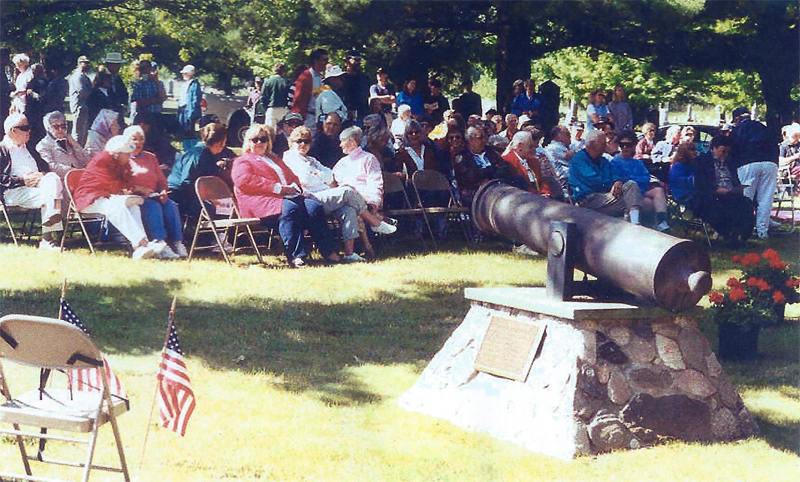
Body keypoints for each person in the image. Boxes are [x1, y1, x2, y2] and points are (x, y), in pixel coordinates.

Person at [232, 124, 340, 267]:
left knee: (314, 207)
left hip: (285, 197)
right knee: (290, 209)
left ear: (268, 142)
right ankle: (296, 256)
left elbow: (292, 176)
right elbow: (244, 181)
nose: (259, 143)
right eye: (255, 139)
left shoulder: (274, 159)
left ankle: (328, 252)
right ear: (248, 141)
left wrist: (294, 187)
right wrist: (278, 188)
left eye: (263, 139)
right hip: (259, 200)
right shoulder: (243, 160)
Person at [283, 126, 395, 262]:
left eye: (306, 141)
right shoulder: (290, 159)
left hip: (325, 195)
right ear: (291, 142)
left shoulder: (311, 160)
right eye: (298, 141)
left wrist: (318, 176)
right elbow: (306, 180)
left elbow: (330, 175)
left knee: (349, 209)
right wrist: (321, 177)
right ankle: (373, 221)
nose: (303, 144)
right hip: (310, 199)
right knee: (347, 191)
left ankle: (349, 253)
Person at [72, 135, 163, 259]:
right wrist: (135, 189)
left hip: (107, 198)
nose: (129, 157)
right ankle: (142, 243)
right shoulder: (102, 160)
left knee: (133, 205)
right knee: (117, 206)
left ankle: (141, 247)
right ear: (117, 153)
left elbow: (127, 180)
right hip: (89, 199)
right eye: (127, 154)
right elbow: (110, 184)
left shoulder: (122, 162)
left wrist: (133, 190)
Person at [0, 113, 63, 250]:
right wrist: (23, 180)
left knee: (54, 179)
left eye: (29, 127)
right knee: (52, 197)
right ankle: (49, 238)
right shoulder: (2, 149)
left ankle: (50, 235)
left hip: (37, 186)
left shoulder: (29, 147)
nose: (29, 131)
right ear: (13, 130)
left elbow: (45, 167)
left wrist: (41, 175)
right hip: (13, 191)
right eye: (25, 127)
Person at [125, 125, 187, 259]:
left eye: (141, 139)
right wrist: (141, 190)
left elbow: (161, 181)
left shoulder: (150, 157)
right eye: (134, 139)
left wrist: (163, 191)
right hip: (135, 197)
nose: (138, 143)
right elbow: (123, 183)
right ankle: (160, 244)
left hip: (154, 194)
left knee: (170, 205)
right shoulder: (124, 159)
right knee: (153, 206)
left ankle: (177, 242)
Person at [569, 129, 643, 223]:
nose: (605, 147)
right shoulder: (579, 161)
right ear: (592, 144)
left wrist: (617, 181)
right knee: (634, 199)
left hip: (605, 197)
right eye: (603, 144)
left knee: (631, 185)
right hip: (589, 200)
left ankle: (635, 223)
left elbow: (615, 174)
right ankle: (631, 224)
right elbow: (594, 181)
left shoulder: (602, 160)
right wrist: (612, 184)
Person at [693, 135, 755, 247]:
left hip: (729, 194)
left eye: (727, 152)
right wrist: (716, 190)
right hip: (709, 196)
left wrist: (738, 189)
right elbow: (701, 184)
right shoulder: (702, 161)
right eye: (723, 151)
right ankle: (727, 233)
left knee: (746, 203)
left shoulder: (730, 162)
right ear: (714, 148)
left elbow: (735, 179)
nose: (725, 155)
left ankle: (741, 235)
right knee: (719, 207)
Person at [729, 106, 779, 239]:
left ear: (737, 119)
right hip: (770, 163)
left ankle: (744, 229)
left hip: (748, 163)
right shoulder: (763, 127)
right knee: (766, 198)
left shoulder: (737, 130)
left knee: (746, 198)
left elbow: (732, 151)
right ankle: (763, 231)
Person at [611, 130, 669, 231]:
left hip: (641, 190)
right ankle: (638, 226)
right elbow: (621, 180)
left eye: (628, 145)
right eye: (622, 144)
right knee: (649, 204)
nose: (625, 147)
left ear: (633, 146)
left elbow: (646, 178)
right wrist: (634, 178)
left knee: (659, 191)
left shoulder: (637, 163)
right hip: (627, 194)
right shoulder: (615, 162)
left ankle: (661, 222)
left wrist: (631, 177)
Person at [168, 122, 228, 217]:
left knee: (227, 205)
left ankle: (224, 230)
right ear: (219, 142)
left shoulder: (209, 154)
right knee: (220, 209)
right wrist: (206, 197)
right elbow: (186, 182)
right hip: (179, 196)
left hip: (196, 195)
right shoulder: (197, 155)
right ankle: (216, 231)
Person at [452, 125, 516, 206]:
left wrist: (488, 176)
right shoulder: (462, 156)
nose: (484, 141)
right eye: (480, 137)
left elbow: (505, 168)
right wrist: (491, 171)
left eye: (485, 137)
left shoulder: (491, 152)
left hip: (496, 187)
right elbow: (470, 177)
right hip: (474, 192)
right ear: (470, 139)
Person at [36, 110, 90, 179]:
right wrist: (73, 171)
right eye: (56, 127)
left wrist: (75, 145)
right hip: (61, 181)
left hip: (80, 177)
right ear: (48, 128)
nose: (60, 129)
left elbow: (85, 161)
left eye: (63, 126)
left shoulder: (70, 140)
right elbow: (51, 166)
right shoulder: (43, 145)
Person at [502, 130, 551, 196]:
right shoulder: (507, 161)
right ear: (520, 147)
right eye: (530, 146)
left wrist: (545, 192)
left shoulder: (534, 161)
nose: (534, 149)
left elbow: (542, 181)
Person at [291, 48, 328, 131]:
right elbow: (298, 100)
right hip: (307, 119)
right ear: (316, 61)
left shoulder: (321, 78)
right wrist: (298, 120)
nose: (326, 63)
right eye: (324, 60)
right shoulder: (305, 77)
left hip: (319, 119)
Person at [129, 59, 166, 125]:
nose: (144, 70)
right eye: (141, 68)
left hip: (156, 115)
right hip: (143, 115)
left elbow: (163, 98)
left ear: (150, 69)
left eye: (146, 68)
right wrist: (155, 100)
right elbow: (139, 102)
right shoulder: (137, 84)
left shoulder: (159, 83)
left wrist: (156, 81)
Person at [543, 125, 574, 200]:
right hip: (563, 179)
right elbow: (570, 156)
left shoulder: (566, 146)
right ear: (558, 136)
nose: (569, 136)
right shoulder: (554, 147)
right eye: (567, 134)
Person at [341, 51, 371, 123]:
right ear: (347, 60)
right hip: (345, 115)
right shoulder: (341, 78)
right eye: (355, 60)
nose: (358, 62)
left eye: (359, 60)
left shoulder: (365, 78)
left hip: (362, 114)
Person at [23, 63, 49, 147]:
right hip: (33, 111)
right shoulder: (31, 82)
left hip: (42, 110)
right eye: (36, 71)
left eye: (40, 70)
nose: (38, 72)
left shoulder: (46, 82)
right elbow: (30, 92)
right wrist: (37, 96)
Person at [68, 55, 92, 146]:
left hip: (84, 107)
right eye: (85, 63)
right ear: (79, 64)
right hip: (79, 106)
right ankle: (76, 150)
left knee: (84, 132)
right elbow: (83, 92)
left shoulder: (84, 76)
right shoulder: (77, 76)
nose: (87, 65)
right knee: (78, 132)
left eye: (88, 63)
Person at [177, 65, 202, 148]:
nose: (183, 75)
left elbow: (195, 99)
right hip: (183, 109)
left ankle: (191, 149)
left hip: (189, 110)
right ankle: (185, 147)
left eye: (185, 73)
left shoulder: (194, 84)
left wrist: (192, 112)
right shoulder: (185, 84)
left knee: (190, 131)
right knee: (183, 130)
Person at [262, 63, 290, 129]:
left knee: (270, 132)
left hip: (271, 109)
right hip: (283, 109)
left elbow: (263, 97)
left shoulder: (268, 82)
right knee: (283, 131)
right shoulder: (286, 82)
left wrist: (266, 108)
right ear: (283, 72)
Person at [669, 142, 697, 206]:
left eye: (695, 149)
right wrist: (694, 178)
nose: (695, 152)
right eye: (692, 150)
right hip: (683, 195)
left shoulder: (695, 164)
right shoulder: (677, 166)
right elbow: (680, 183)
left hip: (695, 192)